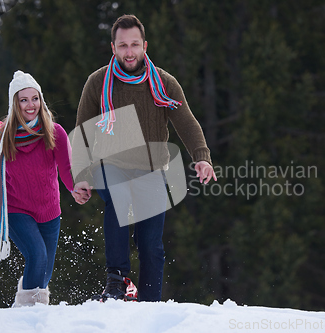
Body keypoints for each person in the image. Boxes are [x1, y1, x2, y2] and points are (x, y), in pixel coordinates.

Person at [71, 14, 217, 302]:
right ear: (113, 47)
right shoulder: (98, 82)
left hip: (152, 170)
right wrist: (82, 175)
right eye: (122, 45)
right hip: (110, 166)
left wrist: (201, 157)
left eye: (134, 44)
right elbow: (82, 134)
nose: (129, 51)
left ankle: (149, 303)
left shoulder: (163, 83)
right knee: (118, 196)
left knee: (151, 245)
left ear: (144, 46)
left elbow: (186, 122)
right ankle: (116, 280)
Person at [0, 70, 84, 307]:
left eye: (34, 99)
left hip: (49, 211)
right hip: (16, 210)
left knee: (43, 275)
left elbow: (66, 169)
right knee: (37, 256)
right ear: (15, 103)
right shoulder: (4, 137)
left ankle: (26, 308)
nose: (30, 105)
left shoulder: (55, 132)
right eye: (23, 100)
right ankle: (27, 316)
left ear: (41, 100)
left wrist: (75, 188)